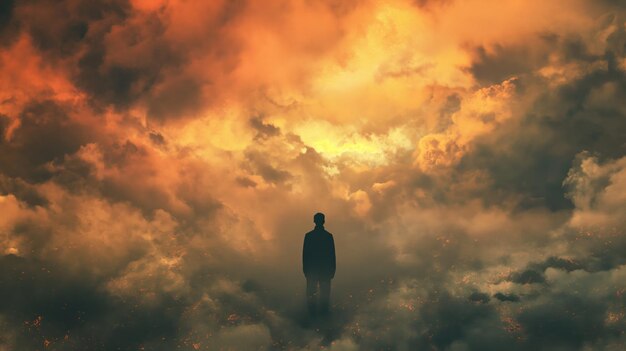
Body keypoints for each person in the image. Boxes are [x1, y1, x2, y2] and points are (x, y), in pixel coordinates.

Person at [302, 212, 336, 316]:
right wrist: (332, 270)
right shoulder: (328, 236)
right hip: (325, 271)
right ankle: (324, 315)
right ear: (324, 221)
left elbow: (305, 255)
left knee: (311, 294)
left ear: (314, 221)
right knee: (324, 295)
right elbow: (332, 255)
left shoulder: (309, 236)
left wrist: (306, 270)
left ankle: (312, 316)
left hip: (312, 270)